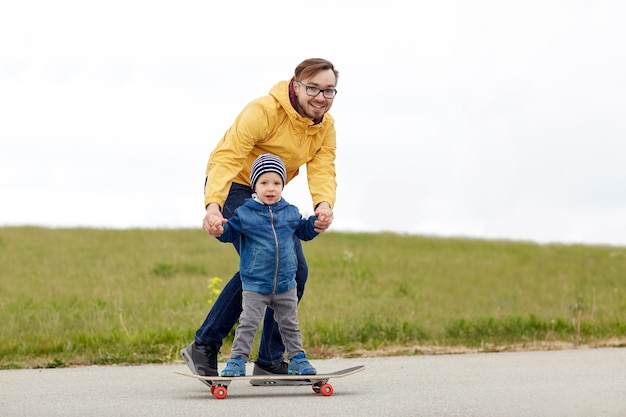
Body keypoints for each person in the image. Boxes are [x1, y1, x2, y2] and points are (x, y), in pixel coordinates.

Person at [180, 58, 338, 385]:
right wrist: (214, 206)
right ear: (295, 85)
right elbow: (227, 157)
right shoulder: (264, 111)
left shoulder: (324, 126)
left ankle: (269, 360)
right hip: (235, 187)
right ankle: (204, 346)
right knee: (262, 263)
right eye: (313, 89)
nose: (321, 98)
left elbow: (323, 167)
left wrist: (323, 205)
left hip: (270, 193)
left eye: (329, 90)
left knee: (294, 269)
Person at [209, 153, 318, 377]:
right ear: (254, 185)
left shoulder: (290, 212)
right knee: (248, 324)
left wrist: (317, 223)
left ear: (283, 185)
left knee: (290, 325)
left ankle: (297, 358)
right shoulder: (245, 213)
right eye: (264, 183)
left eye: (277, 183)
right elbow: (230, 233)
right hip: (255, 284)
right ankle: (237, 360)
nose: (271, 188)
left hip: (285, 284)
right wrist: (219, 230)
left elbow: (304, 231)